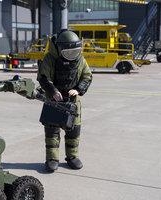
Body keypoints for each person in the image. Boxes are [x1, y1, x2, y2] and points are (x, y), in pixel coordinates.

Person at [37, 30, 92, 172]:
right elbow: (43, 77)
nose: (71, 55)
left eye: (74, 51)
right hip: (53, 101)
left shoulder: (80, 60)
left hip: (73, 103)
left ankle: (73, 157)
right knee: (52, 132)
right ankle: (52, 159)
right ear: (59, 48)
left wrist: (79, 90)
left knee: (74, 131)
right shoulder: (50, 58)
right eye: (68, 52)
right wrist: (53, 92)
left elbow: (87, 76)